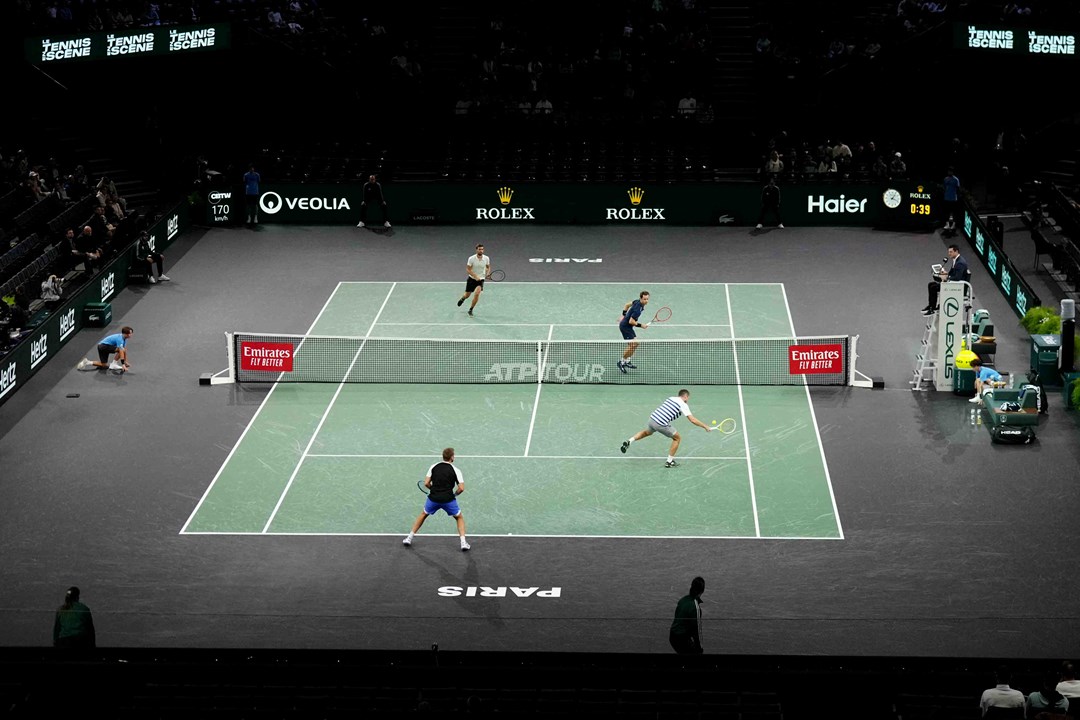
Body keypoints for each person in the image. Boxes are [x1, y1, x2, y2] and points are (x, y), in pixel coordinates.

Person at [620, 389, 715, 468]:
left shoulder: (671, 398)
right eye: (688, 398)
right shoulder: (683, 404)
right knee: (677, 438)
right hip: (660, 423)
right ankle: (669, 462)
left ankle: (629, 441)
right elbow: (692, 420)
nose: (688, 400)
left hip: (652, 418)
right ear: (686, 396)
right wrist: (705, 426)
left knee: (647, 432)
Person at [403, 447, 470, 551]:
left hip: (433, 499)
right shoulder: (456, 470)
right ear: (452, 457)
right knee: (459, 518)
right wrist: (454, 495)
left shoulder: (433, 466)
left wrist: (434, 490)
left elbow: (426, 483)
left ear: (443, 457)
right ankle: (463, 543)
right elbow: (461, 488)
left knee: (423, 514)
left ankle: (409, 538)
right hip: (448, 500)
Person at [924, 243, 969, 315]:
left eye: (951, 252)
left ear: (956, 251)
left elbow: (957, 277)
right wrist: (946, 273)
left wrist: (947, 278)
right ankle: (930, 305)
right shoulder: (956, 260)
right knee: (931, 284)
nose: (949, 254)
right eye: (948, 252)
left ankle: (932, 308)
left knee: (933, 287)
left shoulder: (960, 263)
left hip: (957, 286)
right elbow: (953, 273)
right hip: (952, 282)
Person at [669, 576, 705, 654]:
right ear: (702, 591)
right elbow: (697, 631)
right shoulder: (695, 608)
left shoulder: (682, 600)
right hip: (681, 639)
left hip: (672, 636)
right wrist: (700, 648)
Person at [618, 291, 650, 373]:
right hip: (625, 327)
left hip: (628, 327)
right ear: (641, 298)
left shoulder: (637, 301)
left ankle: (627, 361)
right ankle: (621, 362)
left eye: (647, 299)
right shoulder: (637, 310)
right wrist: (642, 325)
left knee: (635, 344)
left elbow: (627, 305)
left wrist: (623, 315)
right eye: (644, 299)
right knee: (633, 344)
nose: (646, 301)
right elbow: (631, 321)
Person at [456, 244, 489, 316]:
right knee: (467, 295)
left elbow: (488, 267)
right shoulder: (471, 258)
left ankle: (471, 309)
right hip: (472, 279)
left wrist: (487, 273)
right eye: (479, 249)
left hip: (481, 279)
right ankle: (463, 298)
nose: (481, 251)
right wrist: (475, 276)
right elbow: (468, 269)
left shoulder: (486, 258)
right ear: (476, 250)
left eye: (482, 249)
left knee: (477, 294)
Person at [943, 167, 961, 234]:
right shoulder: (945, 179)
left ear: (953, 172)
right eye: (949, 171)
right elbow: (944, 187)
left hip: (953, 199)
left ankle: (953, 225)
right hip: (946, 198)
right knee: (946, 212)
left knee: (954, 213)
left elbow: (958, 189)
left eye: (951, 171)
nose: (949, 172)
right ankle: (947, 224)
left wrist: (958, 197)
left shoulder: (956, 179)